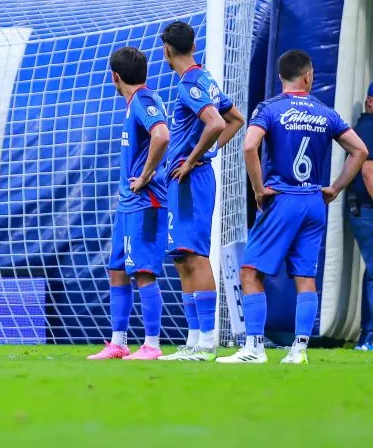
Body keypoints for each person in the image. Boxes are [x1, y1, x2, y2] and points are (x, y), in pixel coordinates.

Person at [218, 50, 368, 365]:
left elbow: (249, 145)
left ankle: (254, 348)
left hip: (281, 199)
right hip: (314, 201)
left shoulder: (270, 108)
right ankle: (299, 350)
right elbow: (359, 150)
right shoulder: (326, 113)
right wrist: (336, 188)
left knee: (249, 271)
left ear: (281, 77)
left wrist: (259, 190)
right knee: (305, 277)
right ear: (308, 76)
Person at [156, 21, 245, 362]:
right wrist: (208, 152)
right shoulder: (203, 78)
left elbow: (219, 122)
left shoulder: (190, 84)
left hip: (190, 179)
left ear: (167, 49)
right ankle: (194, 340)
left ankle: (207, 340)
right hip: (184, 180)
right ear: (192, 45)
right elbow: (236, 118)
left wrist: (194, 159)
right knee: (181, 257)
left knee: (194, 254)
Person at [89, 47, 170, 360]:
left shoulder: (144, 100)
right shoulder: (134, 103)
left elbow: (161, 135)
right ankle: (118, 342)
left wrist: (146, 175)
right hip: (128, 204)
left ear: (115, 77)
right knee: (117, 270)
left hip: (145, 201)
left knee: (144, 271)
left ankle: (152, 344)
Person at [346, 83, 373, 351]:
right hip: (366, 210)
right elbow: (368, 173)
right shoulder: (369, 127)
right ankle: (369, 338)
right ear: (370, 102)